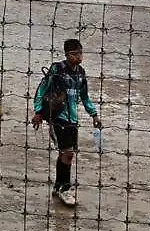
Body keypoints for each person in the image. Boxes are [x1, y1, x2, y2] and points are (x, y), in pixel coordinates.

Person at [32, 38, 102, 207]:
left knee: (66, 154)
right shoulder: (57, 69)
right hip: (58, 117)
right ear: (67, 54)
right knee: (68, 153)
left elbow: (84, 96)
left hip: (73, 119)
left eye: (80, 53)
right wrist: (38, 111)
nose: (79, 57)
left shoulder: (81, 73)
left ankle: (58, 186)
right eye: (74, 54)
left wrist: (93, 114)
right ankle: (65, 189)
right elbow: (42, 88)